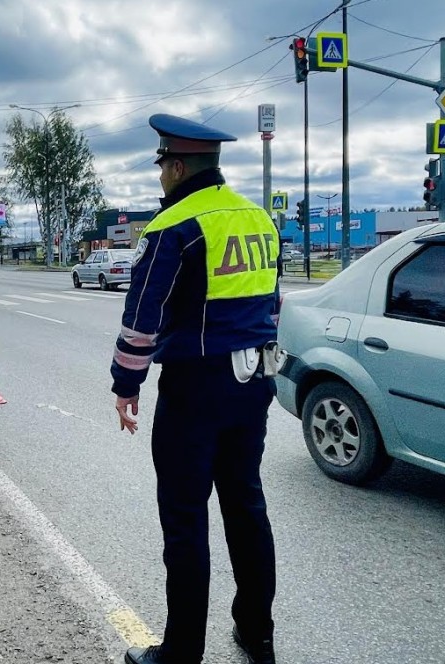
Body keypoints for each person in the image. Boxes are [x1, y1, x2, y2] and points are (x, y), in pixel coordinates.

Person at [112, 114, 281, 664]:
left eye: (162, 166)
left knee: (185, 519)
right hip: (255, 379)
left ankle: (181, 653)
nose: (160, 177)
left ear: (178, 165)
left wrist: (126, 384)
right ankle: (257, 633)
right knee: (245, 504)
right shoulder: (259, 219)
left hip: (196, 388)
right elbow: (272, 303)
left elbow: (142, 319)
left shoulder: (172, 227)